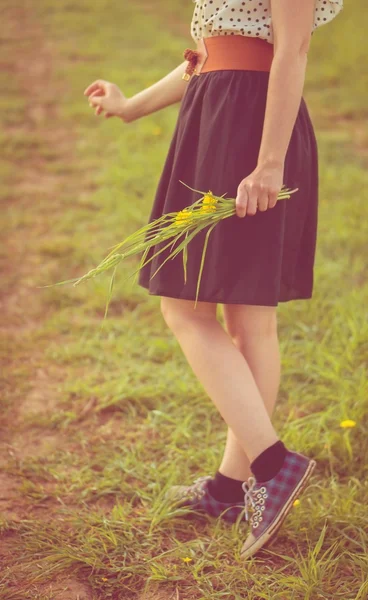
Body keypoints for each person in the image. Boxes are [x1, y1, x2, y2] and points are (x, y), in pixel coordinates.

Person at [83, 0, 344, 560]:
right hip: (217, 113)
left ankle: (272, 466)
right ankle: (230, 489)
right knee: (244, 316)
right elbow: (210, 52)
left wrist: (269, 162)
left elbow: (290, 48)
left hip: (250, 126)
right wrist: (131, 107)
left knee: (186, 308)